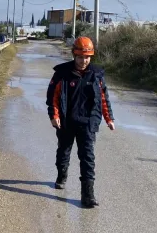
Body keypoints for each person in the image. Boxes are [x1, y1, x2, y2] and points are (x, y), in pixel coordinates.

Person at [46, 36, 116, 208]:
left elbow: (103, 98)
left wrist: (109, 118)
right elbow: (53, 97)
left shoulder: (96, 74)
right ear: (74, 55)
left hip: (88, 122)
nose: (83, 61)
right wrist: (54, 116)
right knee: (63, 152)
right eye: (80, 57)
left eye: (87, 57)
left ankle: (88, 195)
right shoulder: (62, 73)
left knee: (87, 157)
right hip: (66, 122)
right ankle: (62, 175)